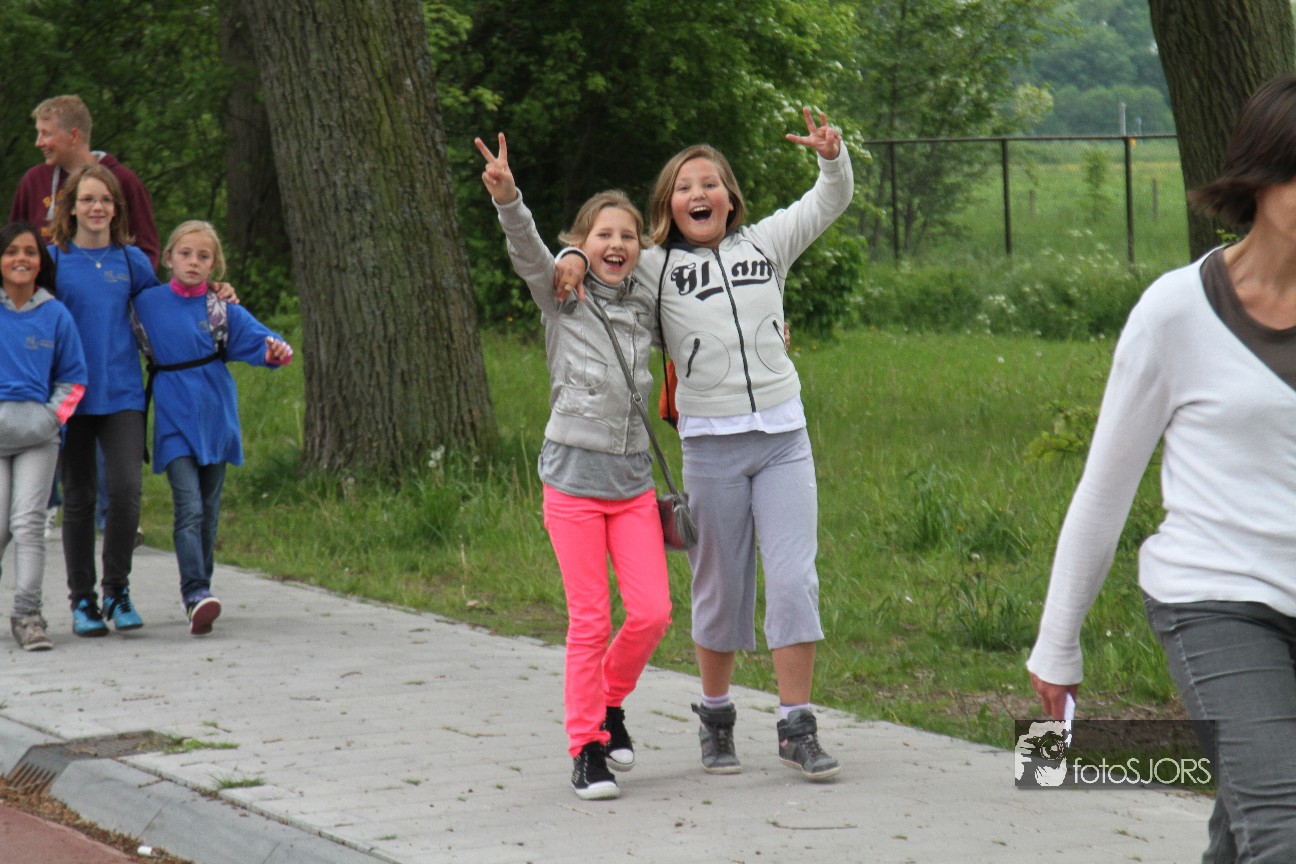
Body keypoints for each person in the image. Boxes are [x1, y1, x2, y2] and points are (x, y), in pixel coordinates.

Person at [1028, 73, 1296, 862]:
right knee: (1283, 827)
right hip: (1219, 597)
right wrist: (1058, 643)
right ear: (1263, 173)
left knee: (1247, 827)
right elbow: (1106, 488)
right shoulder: (1176, 312)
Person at [555, 107, 853, 781]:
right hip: (711, 446)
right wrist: (572, 254)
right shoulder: (653, 267)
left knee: (794, 579)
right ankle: (716, 718)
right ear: (668, 205)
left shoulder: (766, 244)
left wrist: (832, 157)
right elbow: (600, 256)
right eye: (685, 187)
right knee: (719, 586)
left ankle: (797, 726)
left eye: (711, 183)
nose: (699, 194)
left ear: (730, 197)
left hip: (783, 438)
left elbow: (829, 199)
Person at [474, 133, 672, 801]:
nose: (616, 244)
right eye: (601, 235)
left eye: (627, 236)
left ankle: (610, 702)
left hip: (633, 483)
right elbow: (530, 252)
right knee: (590, 621)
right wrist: (510, 200)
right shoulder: (561, 295)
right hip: (573, 485)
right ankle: (587, 747)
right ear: (580, 243)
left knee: (652, 614)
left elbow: (680, 265)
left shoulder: (645, 300)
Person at [130, 220, 293, 636]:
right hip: (173, 420)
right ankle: (195, 593)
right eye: (185, 254)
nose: (193, 262)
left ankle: (202, 592)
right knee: (188, 508)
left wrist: (277, 351)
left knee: (209, 512)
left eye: (203, 256)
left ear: (214, 266)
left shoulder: (222, 308)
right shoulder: (145, 302)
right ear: (168, 258)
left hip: (216, 419)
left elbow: (266, 341)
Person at [46, 163, 160, 637]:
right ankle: (83, 601)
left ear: (117, 209)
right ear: (71, 208)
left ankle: (117, 590)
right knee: (79, 498)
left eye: (106, 200)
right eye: (88, 199)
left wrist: (215, 293)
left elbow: (167, 310)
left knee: (126, 492)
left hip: (123, 394)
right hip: (71, 396)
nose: (97, 207)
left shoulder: (133, 262)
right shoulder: (53, 260)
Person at [0, 222, 86, 650]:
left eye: (30, 252)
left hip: (38, 436)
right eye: (12, 251)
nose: (21, 258)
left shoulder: (56, 314)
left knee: (28, 523)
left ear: (40, 262)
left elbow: (74, 379)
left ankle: (28, 615)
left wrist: (50, 419)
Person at [9, 95, 160, 268]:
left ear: (74, 136)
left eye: (46, 134)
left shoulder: (124, 181)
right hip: (45, 283)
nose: (38, 143)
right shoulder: (34, 181)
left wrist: (120, 281)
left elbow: (147, 252)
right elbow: (12, 243)